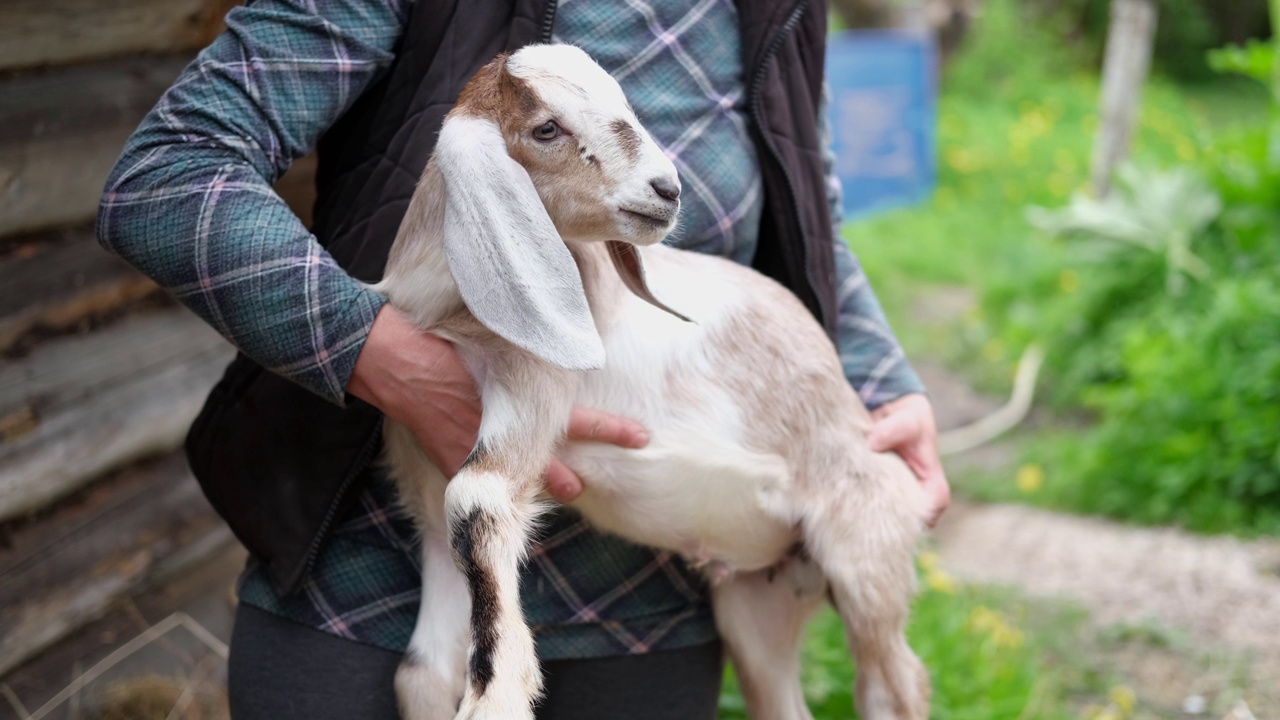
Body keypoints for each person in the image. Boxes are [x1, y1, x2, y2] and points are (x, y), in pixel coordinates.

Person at [98, 0, 950, 717]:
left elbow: (809, 209)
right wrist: (381, 355)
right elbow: (169, 177)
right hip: (377, 574)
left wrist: (881, 380)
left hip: (648, 592)